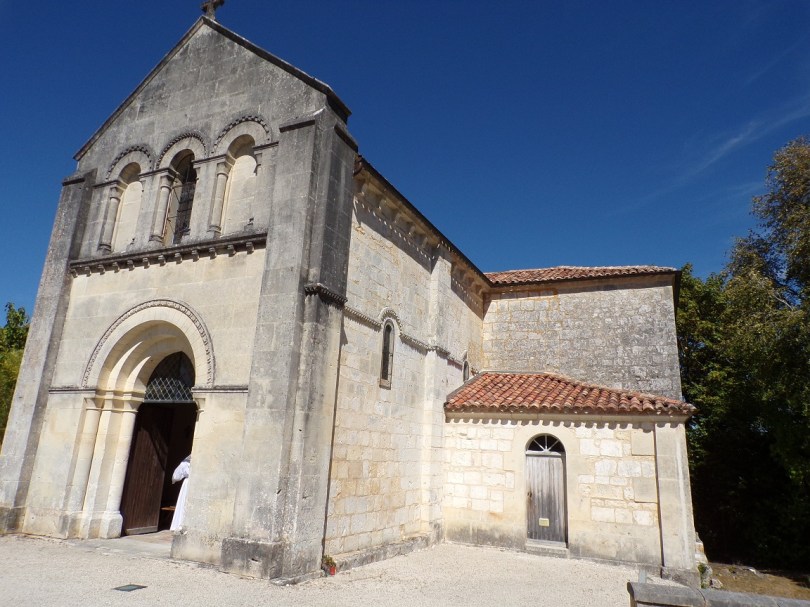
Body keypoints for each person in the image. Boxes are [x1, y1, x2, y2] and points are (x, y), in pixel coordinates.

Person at [170, 455, 191, 531]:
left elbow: (176, 476)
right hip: (191, 483)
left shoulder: (186, 462)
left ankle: (180, 524)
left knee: (184, 503)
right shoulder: (186, 462)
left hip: (188, 483)